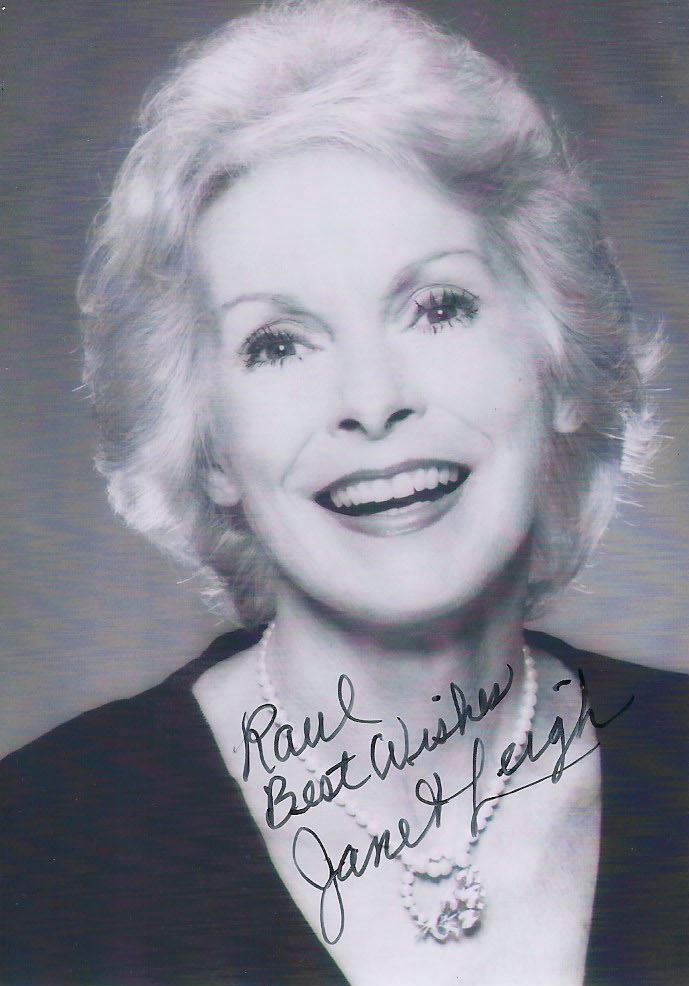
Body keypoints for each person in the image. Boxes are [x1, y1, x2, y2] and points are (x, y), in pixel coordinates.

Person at [1, 1, 687, 983]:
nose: (370, 400)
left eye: (436, 306)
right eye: (278, 344)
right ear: (208, 448)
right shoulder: (37, 853)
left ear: (559, 365)